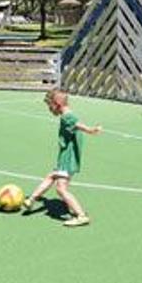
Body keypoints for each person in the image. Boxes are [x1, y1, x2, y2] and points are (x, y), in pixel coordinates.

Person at [22, 89, 102, 227]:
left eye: (50, 106)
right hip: (66, 157)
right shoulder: (69, 115)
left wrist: (90, 130)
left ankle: (81, 215)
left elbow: (77, 124)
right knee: (51, 176)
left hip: (67, 159)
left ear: (57, 104)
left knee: (61, 189)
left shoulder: (66, 117)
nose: (49, 109)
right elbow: (75, 124)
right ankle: (32, 200)